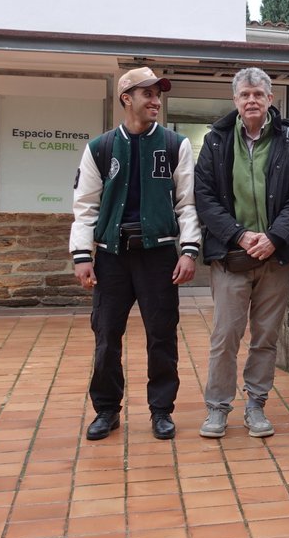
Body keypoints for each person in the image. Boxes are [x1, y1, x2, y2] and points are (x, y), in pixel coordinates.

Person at [70, 67, 200, 441]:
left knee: (162, 335)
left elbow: (187, 204)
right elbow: (85, 205)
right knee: (107, 335)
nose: (156, 100)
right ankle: (107, 410)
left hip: (158, 256)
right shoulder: (101, 148)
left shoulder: (177, 145)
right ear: (127, 98)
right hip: (112, 257)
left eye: (158, 94)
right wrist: (82, 255)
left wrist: (189, 251)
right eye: (148, 94)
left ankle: (161, 411)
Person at [194, 68, 289, 439]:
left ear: (270, 99)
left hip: (275, 258)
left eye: (258, 94)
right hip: (231, 257)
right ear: (235, 101)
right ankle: (217, 408)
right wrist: (240, 235)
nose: (251, 101)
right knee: (226, 335)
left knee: (266, 337)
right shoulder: (215, 141)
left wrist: (275, 237)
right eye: (245, 95)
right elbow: (205, 198)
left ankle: (256, 405)